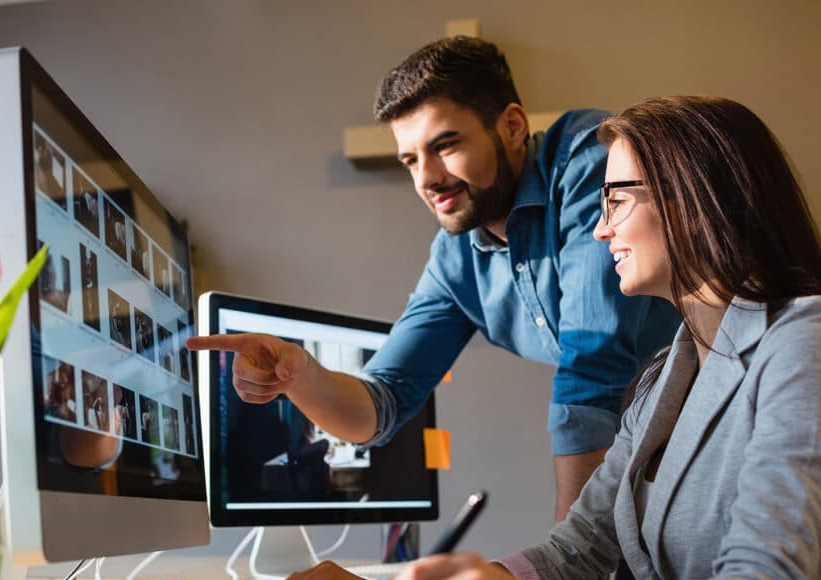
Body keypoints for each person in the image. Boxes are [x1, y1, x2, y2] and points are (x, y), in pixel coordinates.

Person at [256, 96, 821, 580]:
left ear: (692, 198)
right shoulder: (668, 374)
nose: (601, 227)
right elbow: (575, 553)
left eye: (615, 200)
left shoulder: (806, 342)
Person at [188, 37, 678, 520]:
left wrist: (569, 573)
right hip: (646, 453)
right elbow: (380, 404)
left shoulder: (590, 158)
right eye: (411, 160)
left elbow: (592, 367)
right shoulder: (454, 260)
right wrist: (299, 374)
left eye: (445, 146)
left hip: (723, 415)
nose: (427, 178)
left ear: (511, 126)